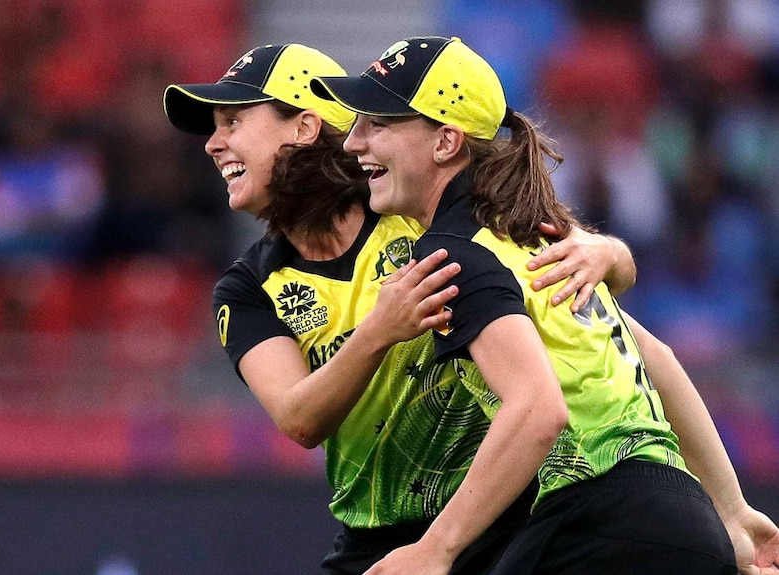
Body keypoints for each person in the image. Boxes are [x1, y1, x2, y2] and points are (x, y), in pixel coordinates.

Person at [162, 43, 641, 574]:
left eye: (232, 121)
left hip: (501, 515)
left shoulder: (411, 200)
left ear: (302, 127)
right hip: (378, 534)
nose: (212, 144)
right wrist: (378, 331)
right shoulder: (248, 286)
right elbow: (299, 419)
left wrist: (608, 251)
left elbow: (576, 267)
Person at [312, 35, 779, 574]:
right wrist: (734, 512)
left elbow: (538, 410)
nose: (352, 142)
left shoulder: (453, 255)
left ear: (445, 143)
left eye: (379, 123)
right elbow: (657, 359)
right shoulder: (536, 243)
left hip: (596, 524)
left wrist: (432, 551)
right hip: (686, 524)